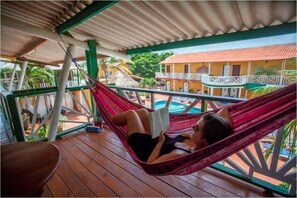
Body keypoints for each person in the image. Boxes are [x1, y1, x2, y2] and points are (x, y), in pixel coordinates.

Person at [112, 108, 233, 163]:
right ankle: (111, 116)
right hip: (154, 138)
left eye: (196, 128)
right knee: (143, 112)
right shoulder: (196, 140)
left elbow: (150, 163)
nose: (192, 127)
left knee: (131, 114)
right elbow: (225, 110)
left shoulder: (179, 154)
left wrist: (160, 142)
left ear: (205, 141)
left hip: (144, 148)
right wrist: (221, 128)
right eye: (195, 125)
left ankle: (108, 118)